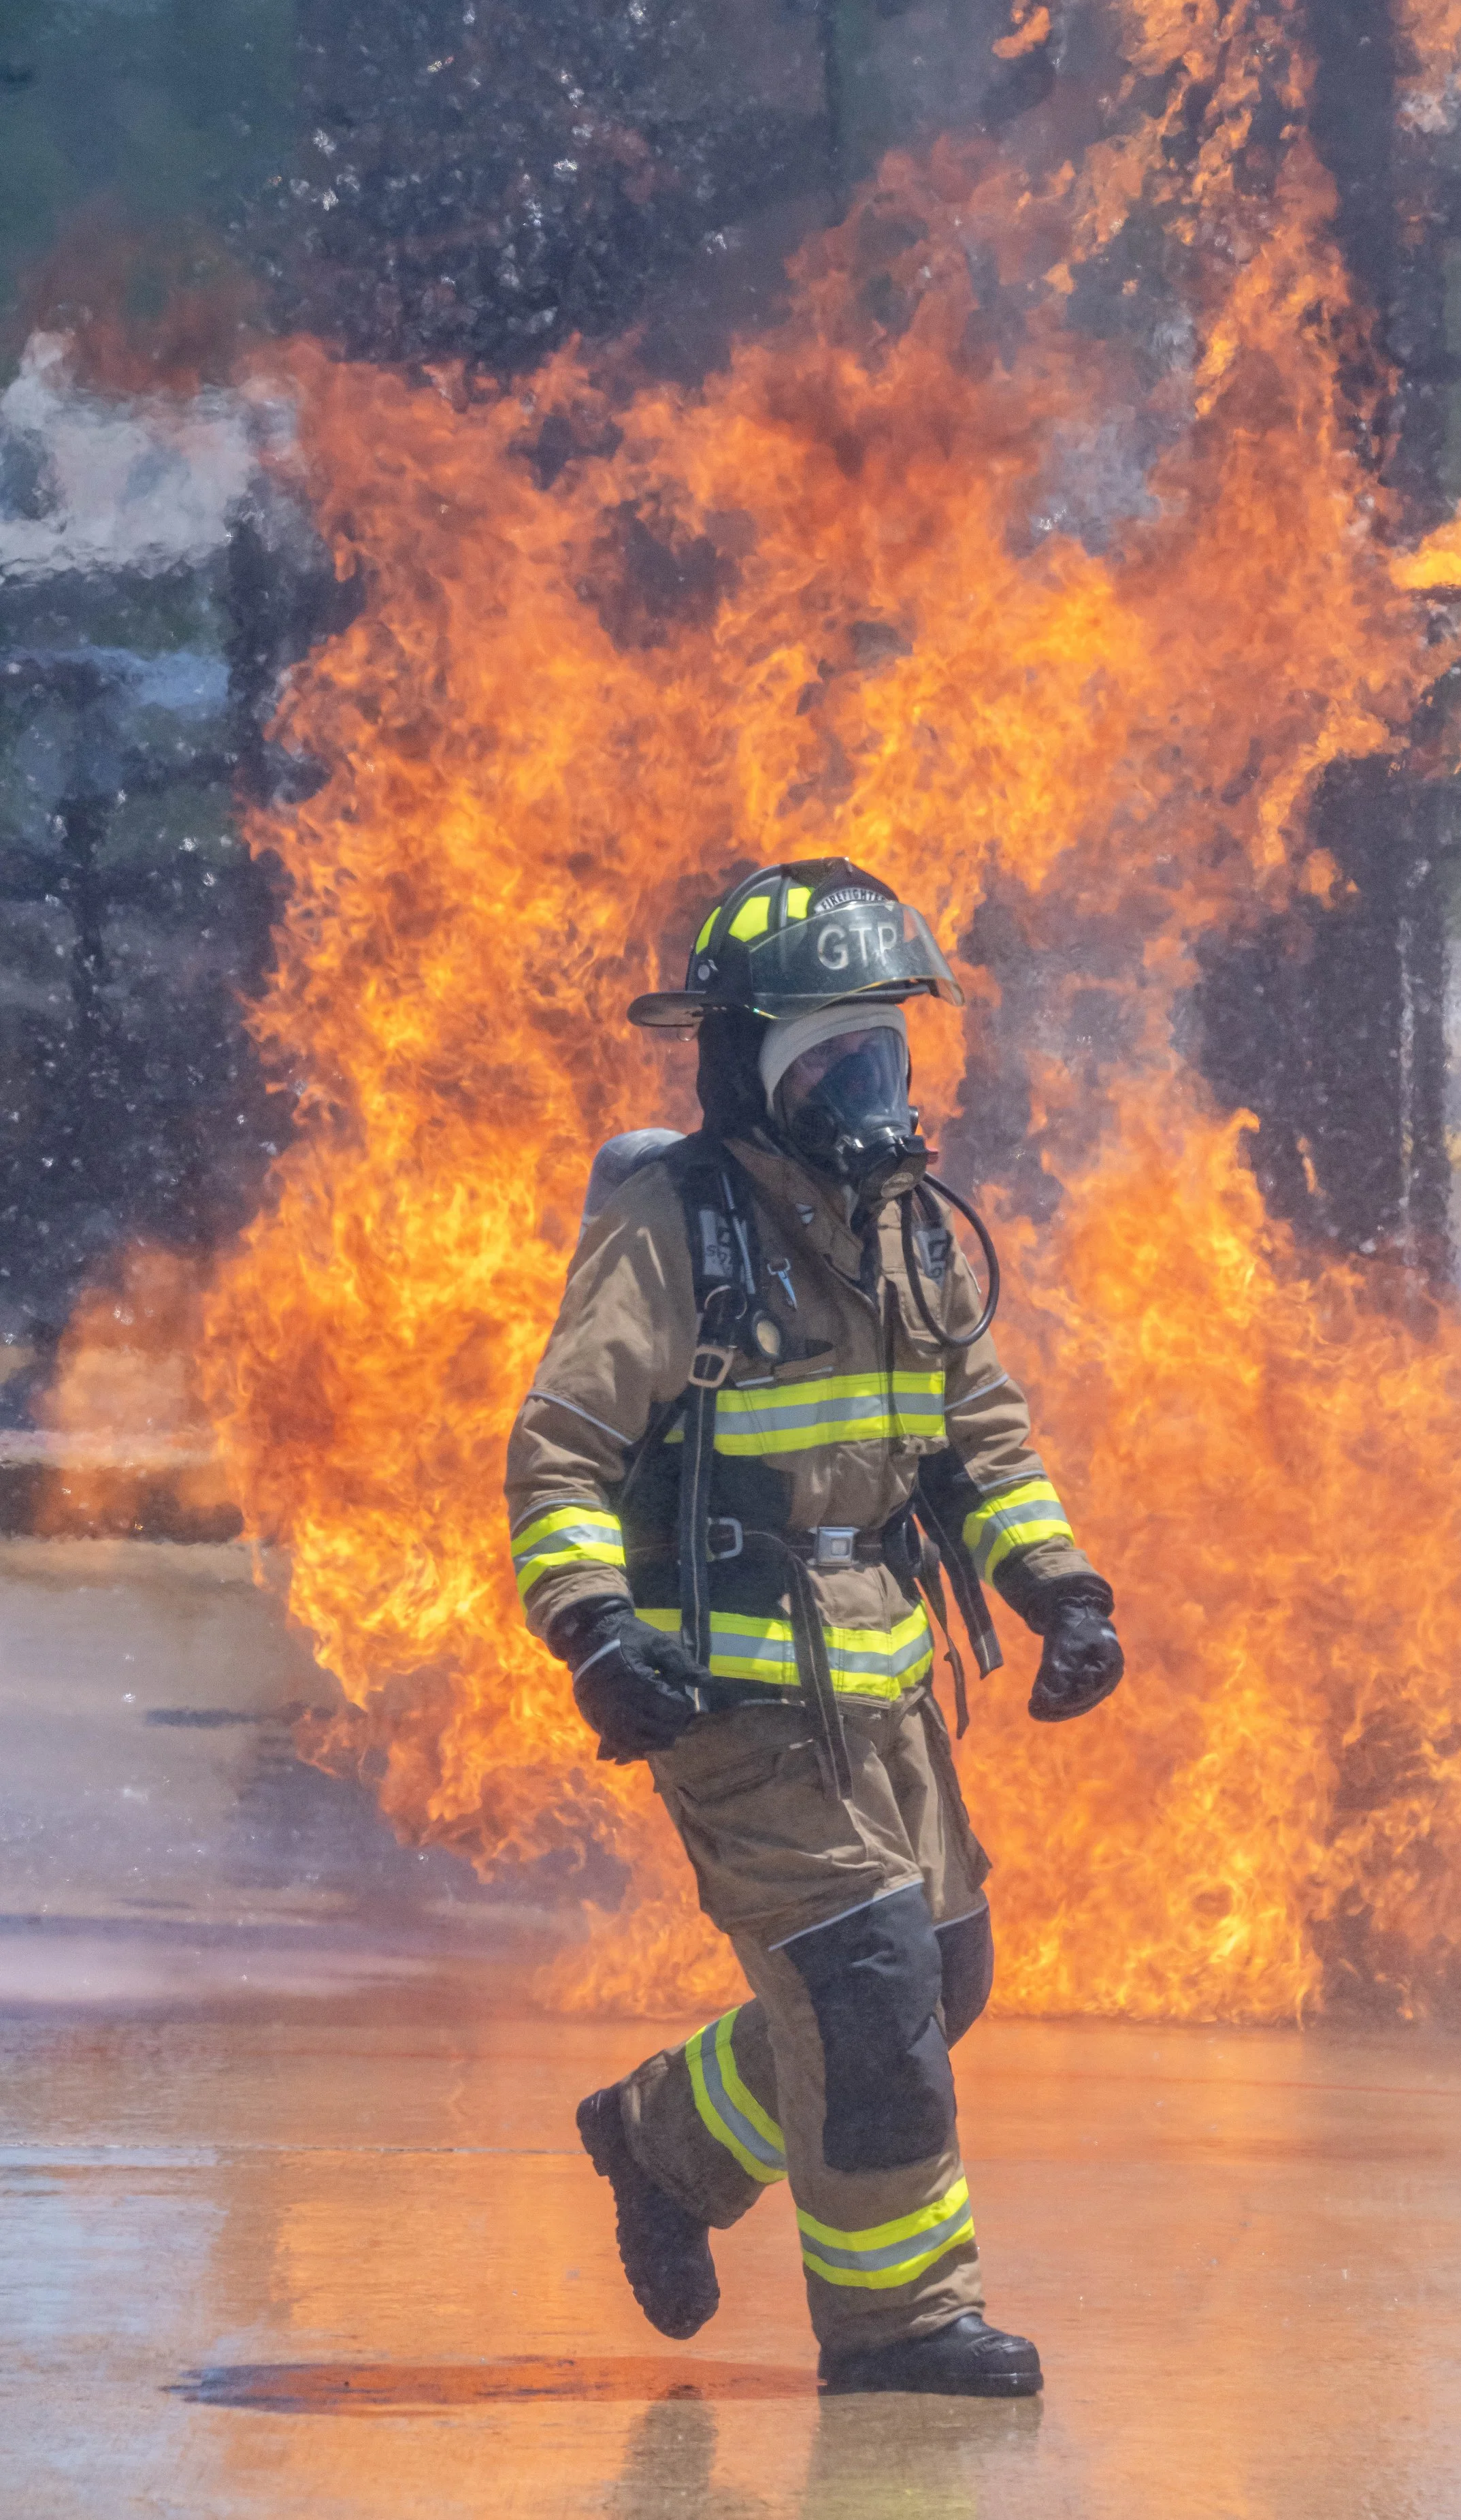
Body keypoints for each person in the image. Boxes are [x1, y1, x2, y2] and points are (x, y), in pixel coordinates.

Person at [505, 856, 1123, 2398]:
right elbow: (562, 1448)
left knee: (942, 1982)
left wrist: (1059, 1588)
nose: (871, 1085)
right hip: (730, 1698)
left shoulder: (905, 1225)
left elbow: (977, 1436)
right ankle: (901, 2331)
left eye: (884, 1052)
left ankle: (660, 2143)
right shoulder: (675, 1225)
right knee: (864, 2008)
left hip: (885, 1683)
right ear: (751, 1068)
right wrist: (592, 1631)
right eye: (835, 1056)